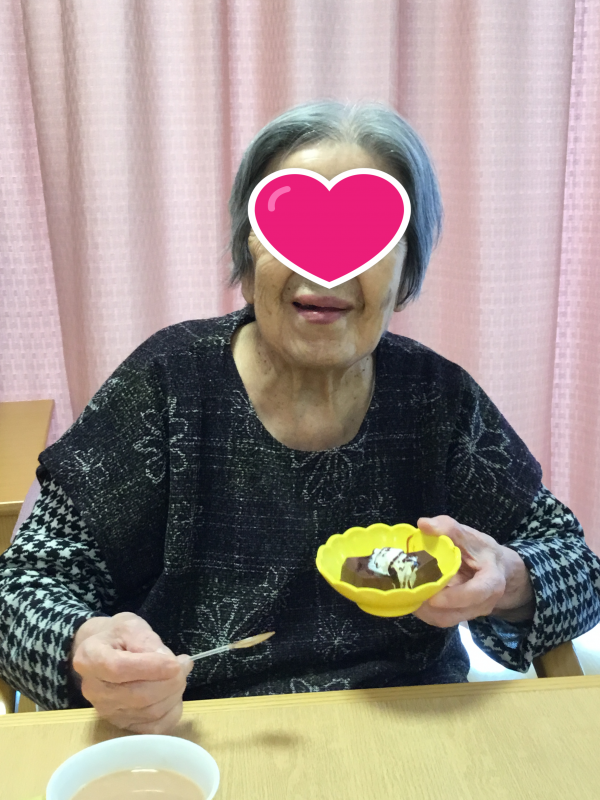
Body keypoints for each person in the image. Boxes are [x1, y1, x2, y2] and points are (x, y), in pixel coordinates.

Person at [1, 100, 599, 735]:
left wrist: (510, 579)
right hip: (200, 733)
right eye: (291, 225)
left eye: (367, 232)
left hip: (412, 730)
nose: (324, 263)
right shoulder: (167, 385)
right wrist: (85, 646)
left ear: (406, 273)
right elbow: (24, 588)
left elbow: (577, 566)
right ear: (247, 255)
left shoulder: (436, 398)